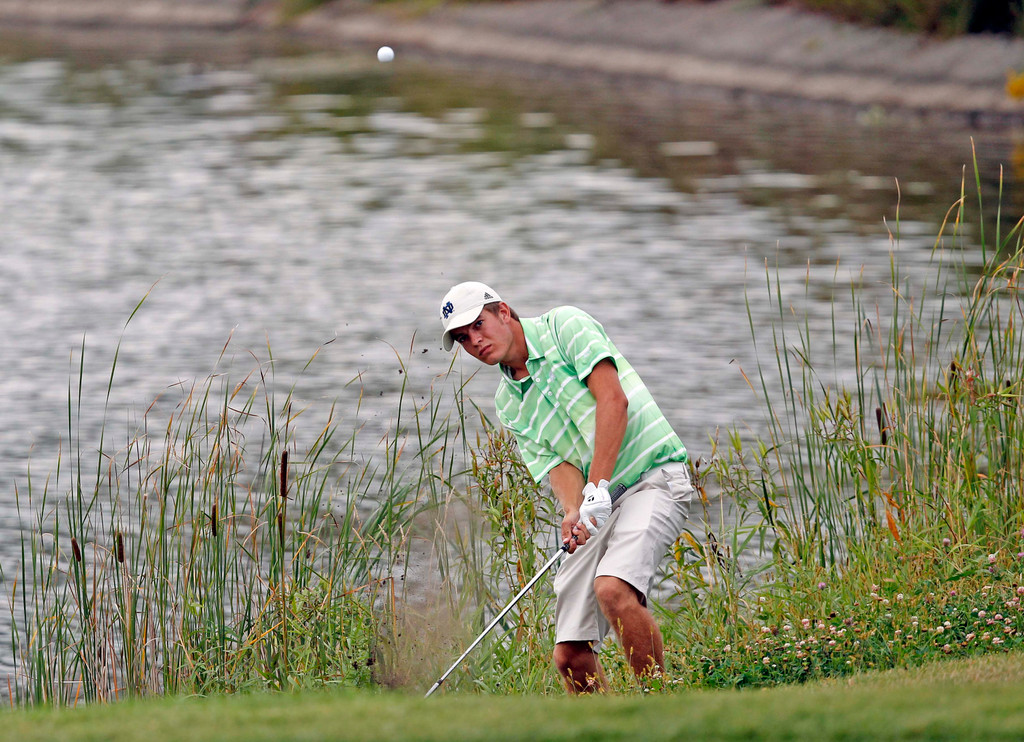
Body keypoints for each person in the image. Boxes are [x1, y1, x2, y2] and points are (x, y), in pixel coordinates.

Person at [438, 281, 693, 693]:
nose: (475, 342)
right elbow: (557, 465)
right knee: (570, 654)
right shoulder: (509, 401)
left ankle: (659, 709)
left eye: (478, 326)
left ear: (503, 312)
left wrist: (597, 487)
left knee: (612, 590)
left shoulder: (564, 327)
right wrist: (575, 508)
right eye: (464, 339)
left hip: (653, 477)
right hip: (602, 499)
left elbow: (614, 401)